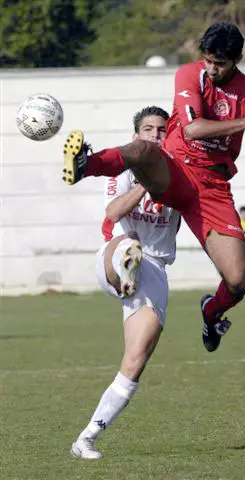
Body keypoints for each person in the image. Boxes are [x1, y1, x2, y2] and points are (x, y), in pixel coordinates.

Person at [62, 22, 245, 355]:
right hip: (175, 170)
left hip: (211, 189)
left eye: (220, 64)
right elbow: (193, 127)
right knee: (143, 150)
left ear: (237, 59)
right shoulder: (189, 74)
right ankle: (86, 164)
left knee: (239, 280)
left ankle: (212, 313)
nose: (212, 69)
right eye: (209, 60)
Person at [71, 106, 181, 459]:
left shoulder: (179, 172)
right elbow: (113, 213)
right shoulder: (128, 169)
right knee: (128, 244)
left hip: (155, 271)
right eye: (148, 129)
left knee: (135, 361)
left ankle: (85, 438)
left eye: (162, 130)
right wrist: (146, 184)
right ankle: (126, 269)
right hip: (114, 255)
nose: (155, 136)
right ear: (136, 137)